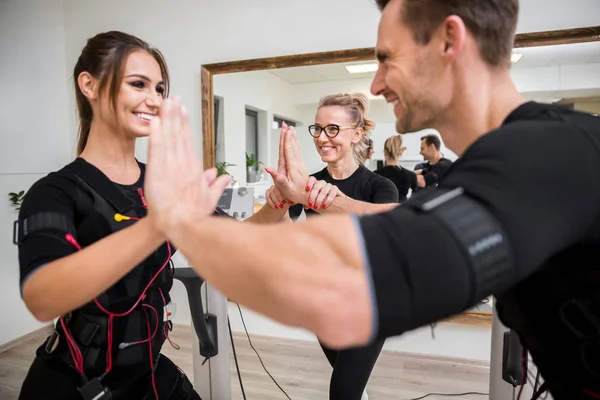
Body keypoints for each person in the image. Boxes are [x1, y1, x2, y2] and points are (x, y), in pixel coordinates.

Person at [142, 0, 600, 399]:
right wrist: (293, 200)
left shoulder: (542, 157)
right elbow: (405, 223)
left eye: (386, 59)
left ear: (449, 41)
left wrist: (183, 220)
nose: (376, 84)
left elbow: (355, 290)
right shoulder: (500, 163)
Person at [16, 31, 202, 400]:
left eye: (160, 89)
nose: (154, 100)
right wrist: (154, 227)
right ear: (90, 85)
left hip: (149, 374)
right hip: (76, 383)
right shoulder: (54, 193)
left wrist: (281, 202)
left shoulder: (164, 182)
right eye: (138, 84)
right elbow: (41, 298)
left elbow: (241, 236)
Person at [266, 93, 399, 400]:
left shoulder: (380, 187)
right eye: (318, 129)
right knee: (350, 383)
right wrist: (282, 202)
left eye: (333, 129)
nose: (323, 138)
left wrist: (323, 199)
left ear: (357, 134)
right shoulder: (308, 183)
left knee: (342, 392)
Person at [374, 135, 417, 201]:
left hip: (383, 210)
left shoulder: (375, 175)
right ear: (401, 152)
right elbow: (418, 197)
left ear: (385, 152)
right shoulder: (410, 175)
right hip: (402, 210)